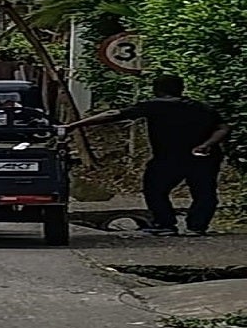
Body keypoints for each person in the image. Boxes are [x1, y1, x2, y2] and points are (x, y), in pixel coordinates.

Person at [65, 75, 230, 236]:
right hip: (203, 156)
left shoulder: (154, 105)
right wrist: (207, 144)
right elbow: (223, 127)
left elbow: (112, 115)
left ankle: (165, 224)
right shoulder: (200, 107)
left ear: (156, 90)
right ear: (182, 89)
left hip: (168, 157)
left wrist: (74, 125)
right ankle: (197, 227)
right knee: (204, 192)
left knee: (155, 190)